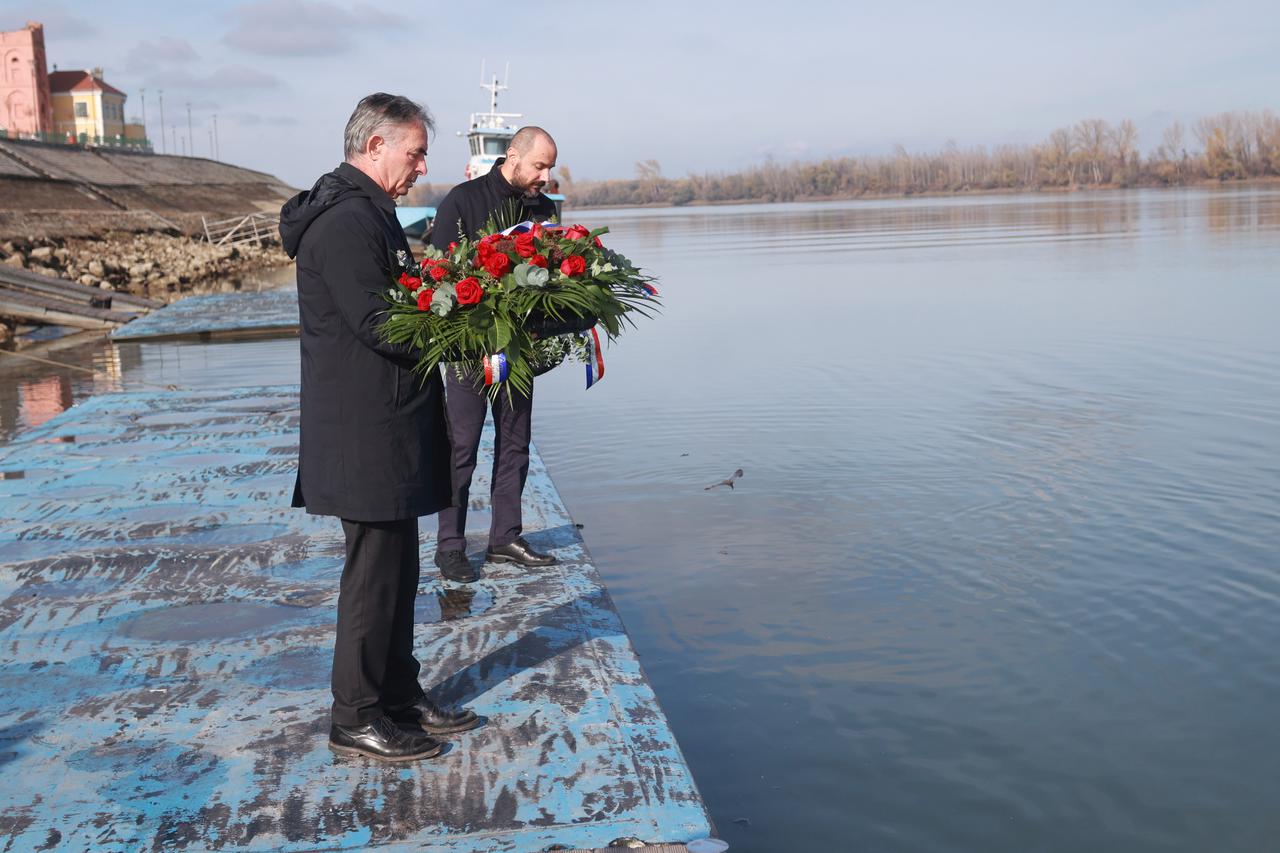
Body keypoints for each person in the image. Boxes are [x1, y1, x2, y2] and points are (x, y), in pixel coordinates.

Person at [279, 93, 479, 763]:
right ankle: (356, 713)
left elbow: (398, 301)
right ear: (373, 146)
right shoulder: (344, 222)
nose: (422, 166)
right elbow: (379, 323)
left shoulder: (373, 212)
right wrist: (459, 329)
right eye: (414, 152)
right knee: (372, 575)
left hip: (386, 420)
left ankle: (397, 691)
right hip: (360, 428)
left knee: (400, 567)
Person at [429, 127, 589, 581]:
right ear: (513, 156)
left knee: (516, 444)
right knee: (460, 447)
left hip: (520, 352)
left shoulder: (543, 209)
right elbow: (439, 274)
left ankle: (505, 539)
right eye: (540, 165)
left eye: (550, 167)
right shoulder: (461, 201)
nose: (546, 175)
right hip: (468, 352)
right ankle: (450, 546)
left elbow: (556, 283)